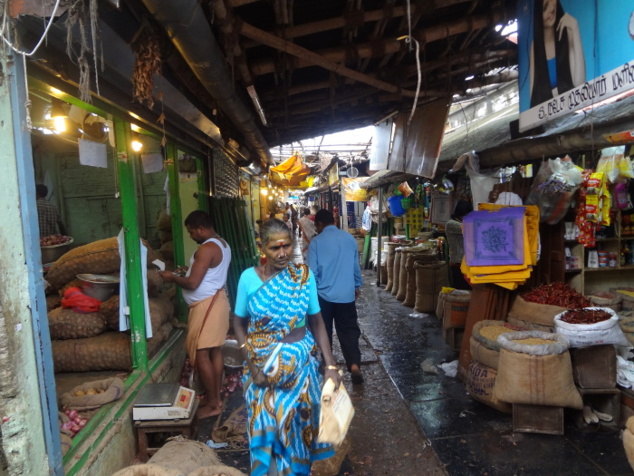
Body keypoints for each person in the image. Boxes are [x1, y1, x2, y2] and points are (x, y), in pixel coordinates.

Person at [233, 218, 341, 476]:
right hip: (260, 373)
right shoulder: (248, 279)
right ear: (262, 247)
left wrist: (330, 365)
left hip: (300, 372)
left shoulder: (303, 278)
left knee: (296, 437)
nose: (282, 253)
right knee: (265, 437)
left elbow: (317, 322)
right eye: (274, 248)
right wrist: (252, 365)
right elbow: (237, 323)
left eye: (287, 246)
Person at [159, 210, 231, 419]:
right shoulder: (222, 244)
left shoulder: (206, 249)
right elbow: (205, 275)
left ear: (201, 228)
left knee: (201, 354)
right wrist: (186, 271)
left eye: (192, 232)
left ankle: (214, 403)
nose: (191, 236)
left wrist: (172, 277)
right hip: (217, 302)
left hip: (207, 306)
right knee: (214, 352)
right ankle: (214, 398)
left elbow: (193, 283)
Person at [308, 209, 364, 384]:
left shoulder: (315, 243)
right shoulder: (349, 239)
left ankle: (327, 365)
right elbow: (355, 266)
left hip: (323, 296)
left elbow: (311, 272)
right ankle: (354, 365)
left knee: (323, 330)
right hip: (346, 295)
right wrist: (356, 285)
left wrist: (312, 294)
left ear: (318, 224)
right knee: (349, 330)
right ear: (334, 221)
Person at [529, 0, 585, 108]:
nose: (551, 9)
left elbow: (579, 82)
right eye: (545, 7)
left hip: (571, 107)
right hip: (547, 114)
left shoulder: (567, 33)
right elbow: (533, 89)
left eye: (552, 3)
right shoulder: (535, 47)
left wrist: (575, 28)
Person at [444, 200, 473, 290]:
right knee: (461, 291)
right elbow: (469, 229)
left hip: (465, 262)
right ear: (461, 213)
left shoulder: (462, 223)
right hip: (457, 262)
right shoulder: (451, 224)